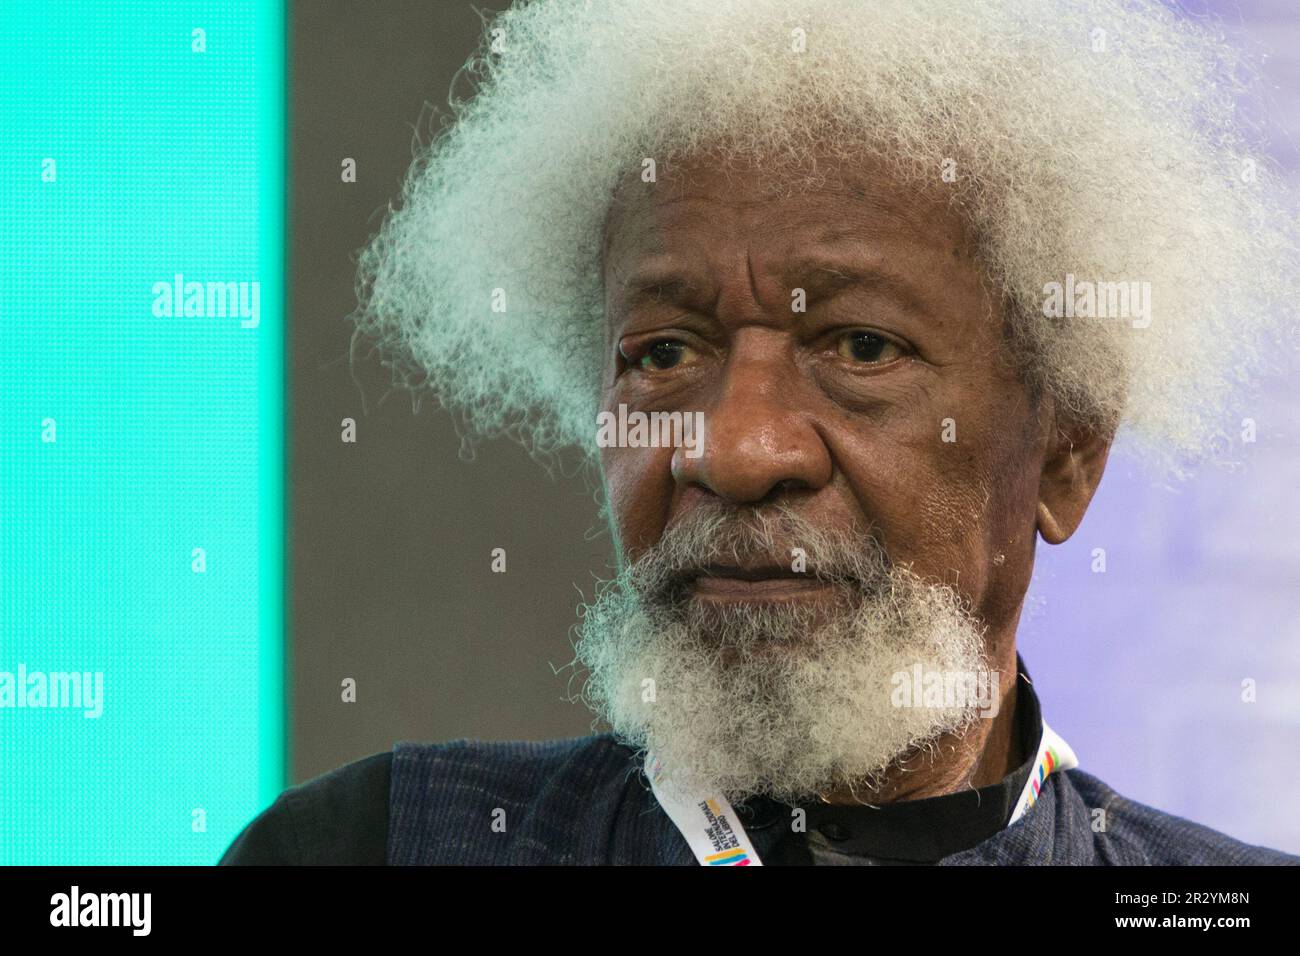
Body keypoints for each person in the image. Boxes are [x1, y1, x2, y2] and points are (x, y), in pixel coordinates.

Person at [224, 0, 1300, 865]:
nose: (731, 449)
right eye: (663, 353)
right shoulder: (377, 844)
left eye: (861, 346)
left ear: (1065, 456)